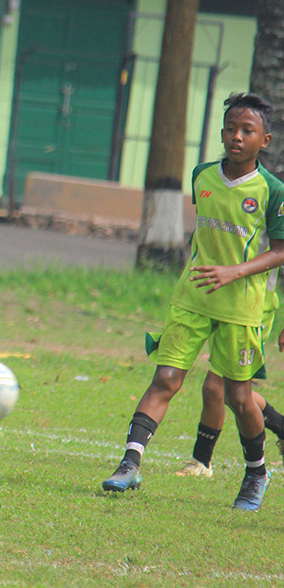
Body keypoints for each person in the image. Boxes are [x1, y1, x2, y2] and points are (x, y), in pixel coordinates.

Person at [102, 92, 284, 511]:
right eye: (230, 129)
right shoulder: (202, 174)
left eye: (247, 131)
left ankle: (256, 473)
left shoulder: (272, 191)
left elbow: (280, 250)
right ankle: (130, 464)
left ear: (265, 140)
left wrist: (234, 271)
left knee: (238, 398)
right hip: (192, 296)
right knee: (165, 378)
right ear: (221, 133)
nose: (236, 137)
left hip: (242, 307)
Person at [160, 273, 284, 477]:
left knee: (216, 388)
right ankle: (280, 426)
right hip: (225, 305)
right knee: (227, 393)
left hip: (255, 310)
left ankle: (202, 461)